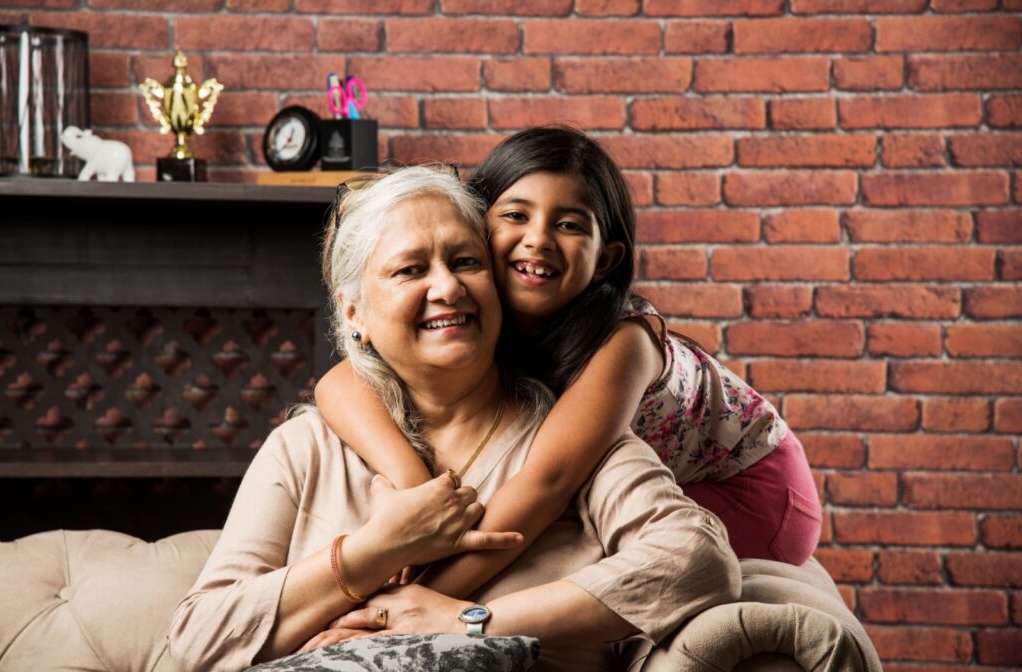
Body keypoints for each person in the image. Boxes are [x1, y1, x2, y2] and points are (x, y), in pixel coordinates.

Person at [168, 166, 741, 670]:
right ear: (354, 314)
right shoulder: (305, 448)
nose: (446, 287)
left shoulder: (575, 441)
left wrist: (470, 620)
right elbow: (197, 640)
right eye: (409, 270)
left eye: (466, 261)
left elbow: (700, 563)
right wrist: (374, 551)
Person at [314, 127, 822, 602]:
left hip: (753, 489)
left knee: (574, 553)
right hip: (637, 477)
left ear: (605, 259)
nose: (538, 238)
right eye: (515, 216)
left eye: (569, 225)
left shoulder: (627, 343)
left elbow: (546, 485)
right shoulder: (473, 305)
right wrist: (417, 490)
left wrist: (406, 604)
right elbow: (338, 383)